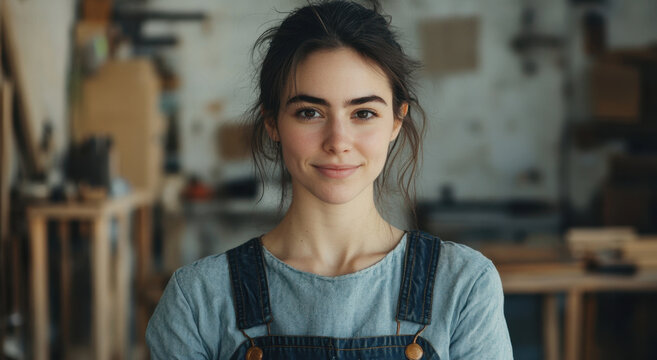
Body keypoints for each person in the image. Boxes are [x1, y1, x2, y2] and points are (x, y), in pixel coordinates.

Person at [146, 1, 513, 359]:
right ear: (273, 122)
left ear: (397, 121)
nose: (338, 141)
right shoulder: (198, 301)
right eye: (310, 112)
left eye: (363, 113)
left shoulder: (463, 286)